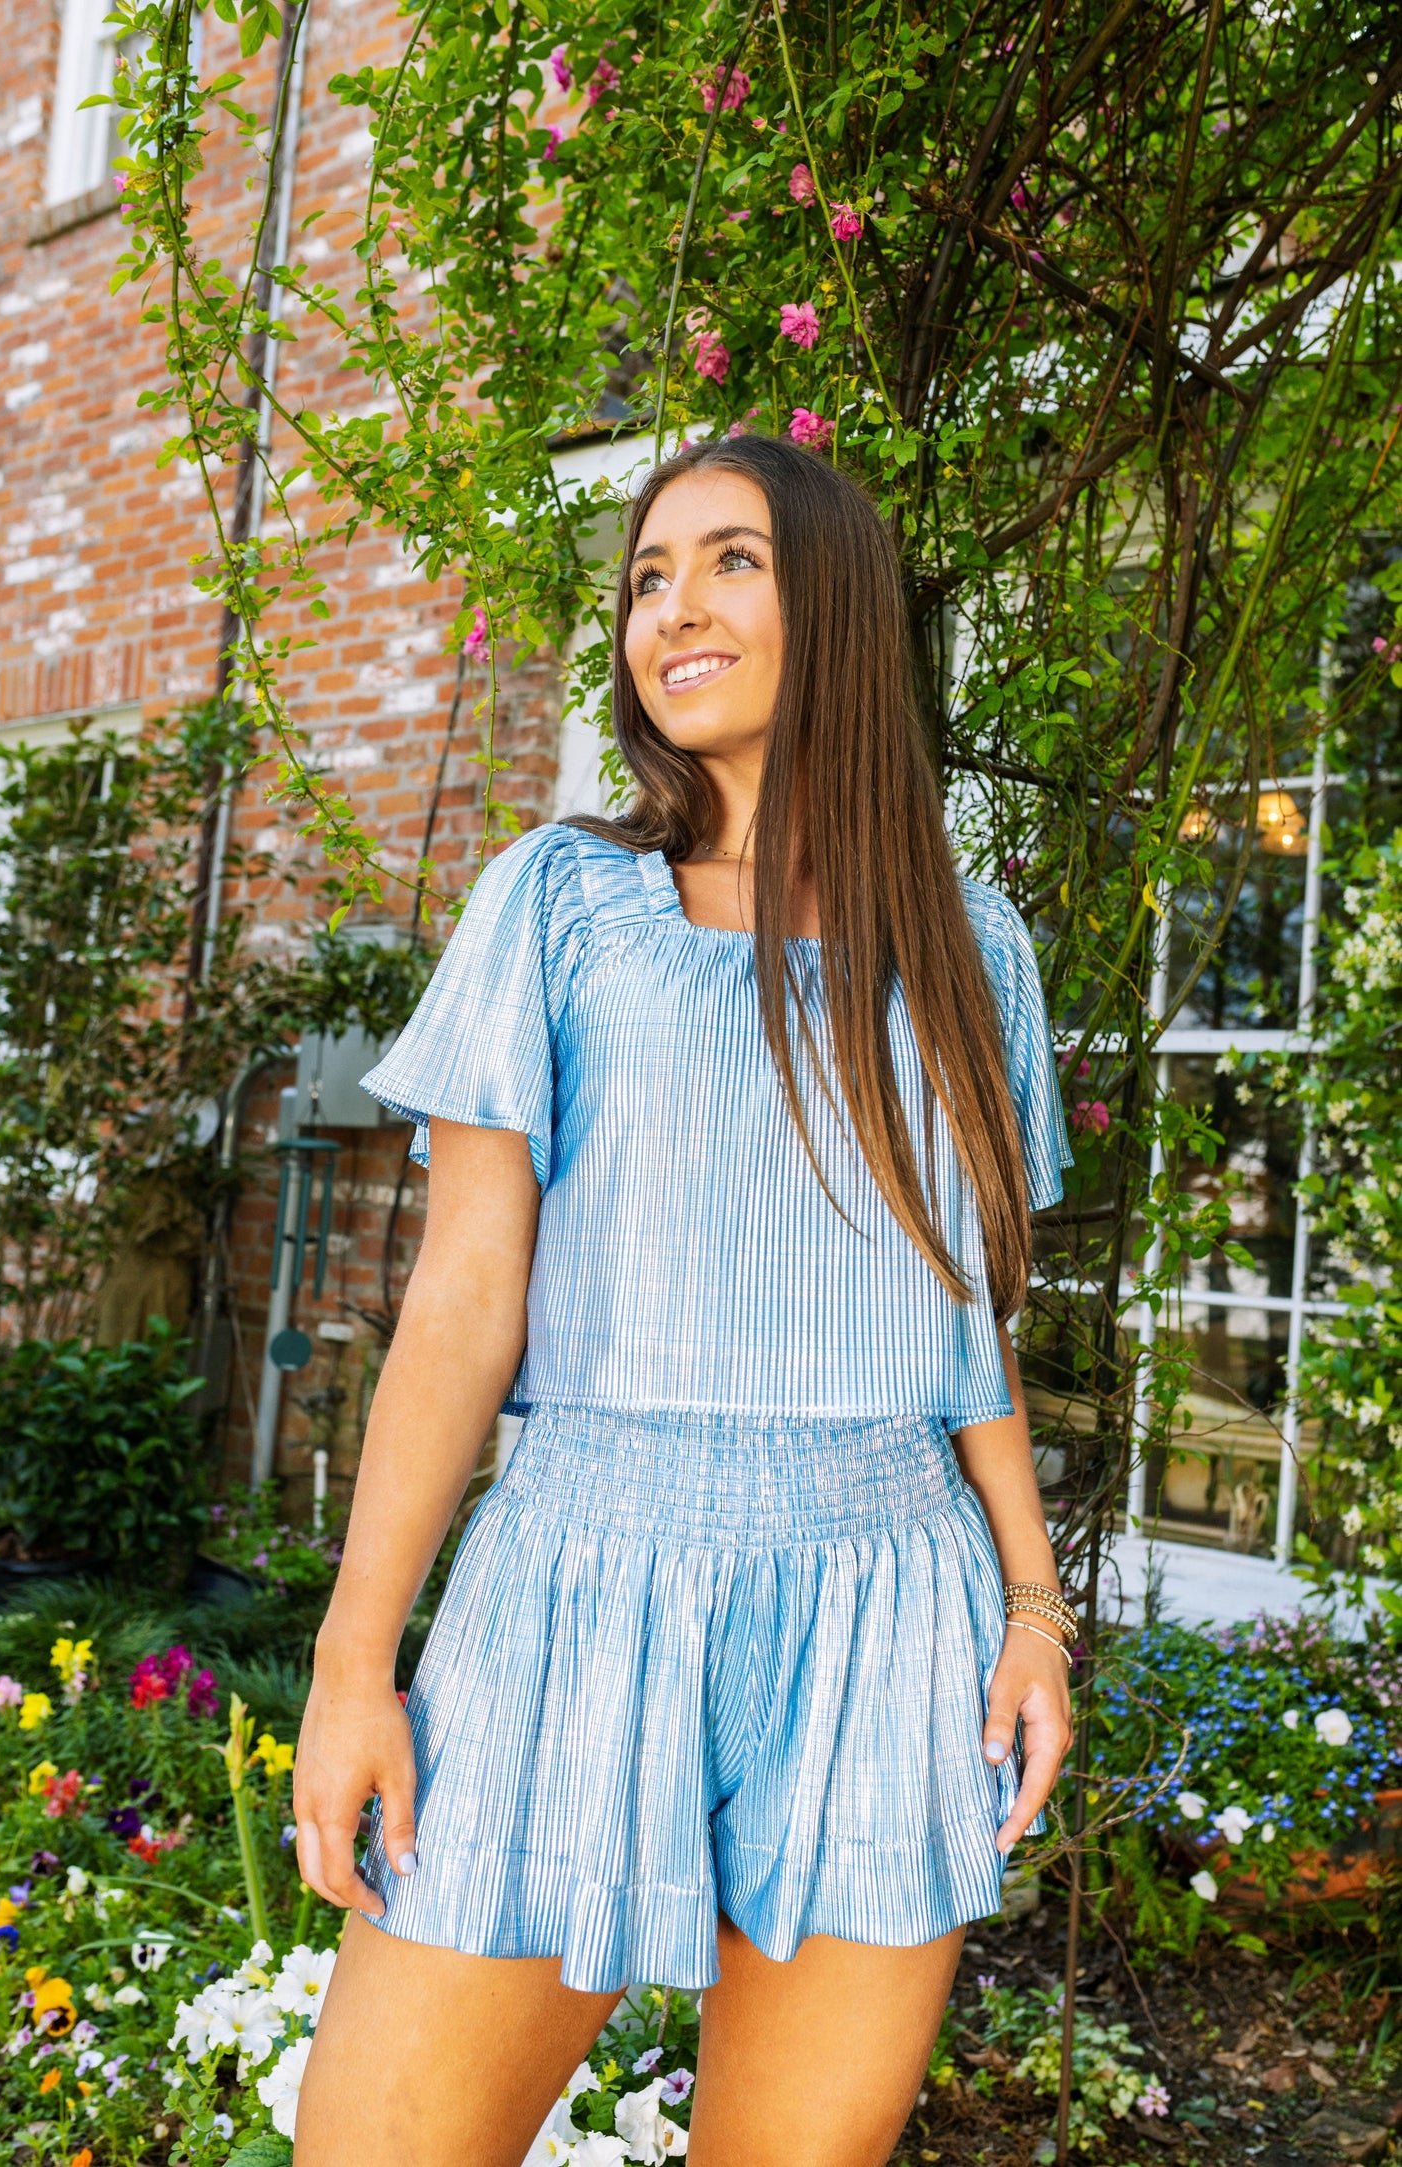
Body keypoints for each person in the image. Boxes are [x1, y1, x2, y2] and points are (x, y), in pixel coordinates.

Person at [292, 433, 1076, 2167]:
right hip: (582, 1581)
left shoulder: (973, 950)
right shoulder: (560, 906)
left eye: (730, 561)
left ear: (839, 612)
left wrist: (1031, 1609)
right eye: (648, 576)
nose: (673, 608)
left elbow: (960, 1329)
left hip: (887, 1618)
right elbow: (463, 1302)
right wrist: (358, 1666)